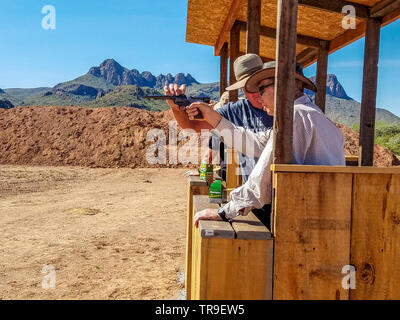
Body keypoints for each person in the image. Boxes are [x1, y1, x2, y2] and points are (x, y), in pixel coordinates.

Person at [187, 61, 346, 227]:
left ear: (283, 86)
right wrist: (211, 116)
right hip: (319, 219)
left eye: (262, 88)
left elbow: (260, 181)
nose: (259, 95)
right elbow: (254, 143)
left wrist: (224, 212)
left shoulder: (295, 117)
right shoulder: (311, 115)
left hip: (304, 222)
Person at [164, 54, 273, 182]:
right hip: (253, 191)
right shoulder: (234, 111)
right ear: (243, 89)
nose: (256, 93)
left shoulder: (288, 110)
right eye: (250, 87)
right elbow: (191, 126)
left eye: (260, 86)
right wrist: (176, 108)